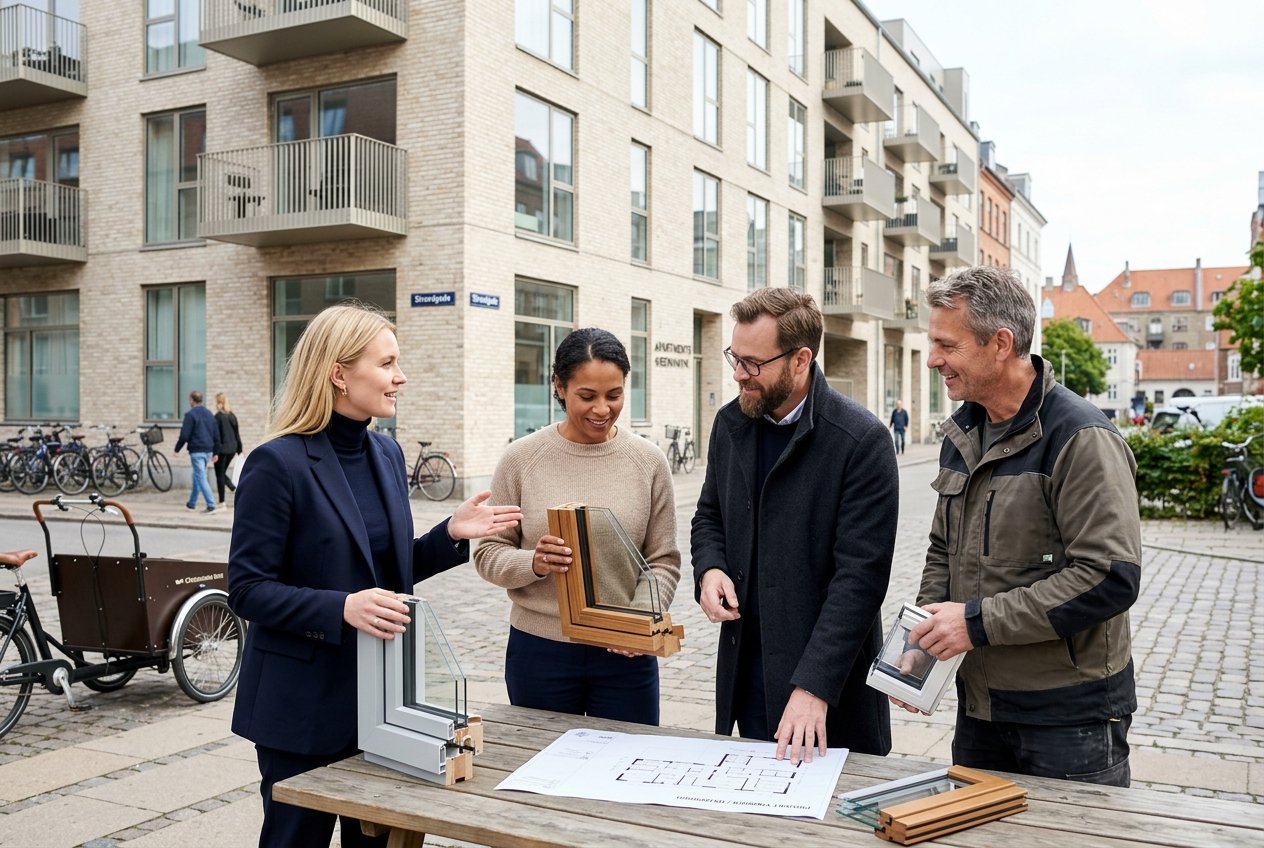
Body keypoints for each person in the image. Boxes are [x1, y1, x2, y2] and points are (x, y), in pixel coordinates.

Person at [227, 303, 522, 848]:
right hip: (303, 711)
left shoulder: (385, 452)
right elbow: (246, 589)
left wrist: (450, 534)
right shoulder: (277, 464)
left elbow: (386, 569)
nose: (400, 377)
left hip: (385, 702)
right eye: (387, 363)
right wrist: (341, 608)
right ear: (339, 372)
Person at [900, 265, 1141, 787]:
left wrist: (976, 623)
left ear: (1001, 344)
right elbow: (944, 548)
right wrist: (921, 649)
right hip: (981, 709)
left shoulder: (1080, 438)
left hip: (1068, 718)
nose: (933, 358)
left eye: (947, 344)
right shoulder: (964, 432)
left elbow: (1109, 576)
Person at [691, 288, 897, 764]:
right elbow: (709, 516)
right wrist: (711, 568)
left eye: (753, 363)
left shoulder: (861, 441)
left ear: (801, 359)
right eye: (734, 358)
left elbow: (860, 582)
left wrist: (813, 687)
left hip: (827, 695)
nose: (739, 374)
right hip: (747, 675)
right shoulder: (729, 424)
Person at [475, 327, 680, 726]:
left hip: (625, 654)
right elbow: (487, 554)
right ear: (559, 387)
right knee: (539, 771)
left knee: (627, 772)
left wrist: (638, 619)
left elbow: (663, 560)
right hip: (539, 651)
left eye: (614, 395)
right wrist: (534, 562)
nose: (602, 409)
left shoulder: (649, 462)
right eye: (587, 396)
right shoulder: (520, 459)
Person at [173, 389, 220, 513]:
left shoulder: (190, 415)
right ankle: (192, 503)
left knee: (201, 477)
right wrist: (216, 452)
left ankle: (211, 504)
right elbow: (216, 434)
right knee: (198, 476)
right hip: (208, 450)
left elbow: (184, 435)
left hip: (197, 451)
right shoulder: (209, 414)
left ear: (192, 400)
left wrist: (177, 449)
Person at [212, 392, 242, 505]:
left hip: (222, 449)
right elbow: (237, 433)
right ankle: (232, 487)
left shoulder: (217, 417)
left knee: (219, 474)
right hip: (232, 448)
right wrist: (240, 449)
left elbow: (216, 437)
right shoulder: (232, 415)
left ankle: (222, 502)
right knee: (222, 472)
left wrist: (215, 452)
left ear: (219, 403)